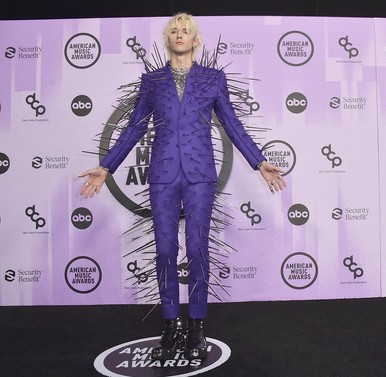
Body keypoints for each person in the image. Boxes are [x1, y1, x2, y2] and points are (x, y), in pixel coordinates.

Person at [79, 12, 285, 361]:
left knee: (198, 249)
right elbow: (133, 129)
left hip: (200, 173)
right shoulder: (151, 81)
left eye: (185, 31)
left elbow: (232, 125)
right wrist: (106, 166)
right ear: (167, 39)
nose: (179, 34)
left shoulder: (212, 79)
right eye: (174, 30)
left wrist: (258, 161)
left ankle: (197, 325)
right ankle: (171, 323)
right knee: (163, 250)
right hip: (161, 174)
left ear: (195, 40)